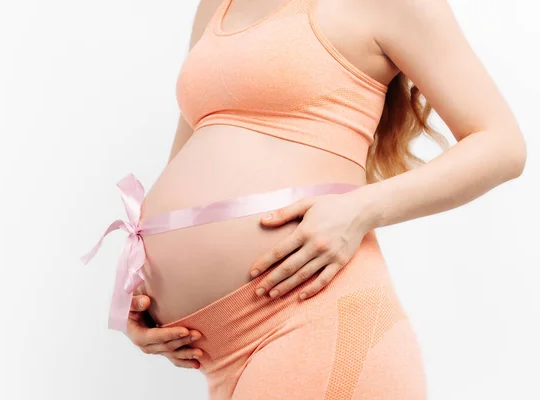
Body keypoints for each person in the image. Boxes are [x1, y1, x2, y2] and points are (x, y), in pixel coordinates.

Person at [83, 0, 526, 398]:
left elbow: (502, 145)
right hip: (219, 357)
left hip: (313, 320)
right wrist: (140, 289)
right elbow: (191, 152)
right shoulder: (216, 5)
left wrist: (361, 209)